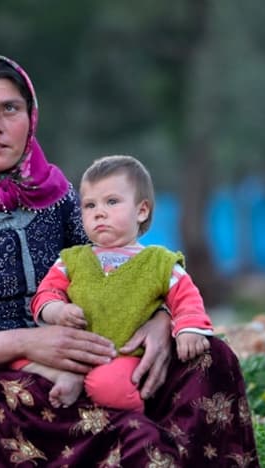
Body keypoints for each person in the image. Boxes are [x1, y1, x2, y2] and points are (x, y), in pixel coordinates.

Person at [0, 54, 258, 467]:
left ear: (31, 118)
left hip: (89, 359)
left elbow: (119, 268)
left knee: (211, 357)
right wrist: (28, 341)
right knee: (136, 441)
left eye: (10, 109)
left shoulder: (59, 195)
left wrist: (161, 322)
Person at [18, 155, 214, 411]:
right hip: (74, 350)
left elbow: (186, 298)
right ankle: (73, 377)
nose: (99, 212)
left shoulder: (159, 262)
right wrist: (57, 310)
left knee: (109, 386)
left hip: (122, 354)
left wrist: (189, 329)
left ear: (141, 211)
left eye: (112, 202)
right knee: (18, 360)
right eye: (89, 205)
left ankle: (136, 422)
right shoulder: (73, 259)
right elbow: (47, 292)